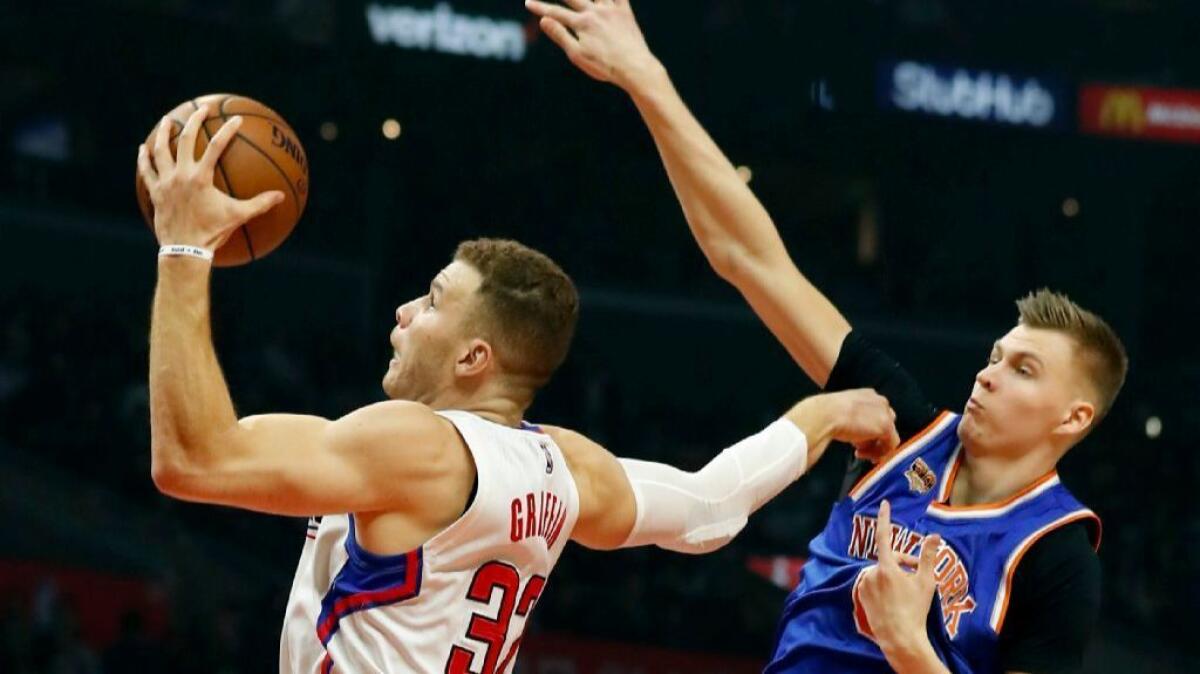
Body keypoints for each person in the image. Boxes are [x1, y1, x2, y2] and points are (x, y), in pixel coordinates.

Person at [136, 104, 903, 673]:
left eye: (433, 300)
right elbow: (709, 508)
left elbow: (194, 460)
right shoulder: (564, 468)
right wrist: (824, 412)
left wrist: (183, 247)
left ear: (475, 358)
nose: (404, 312)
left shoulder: (415, 445)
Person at [526, 1, 1127, 672]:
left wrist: (909, 648)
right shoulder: (895, 423)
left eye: (1023, 370)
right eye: (995, 357)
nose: (986, 375)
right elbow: (750, 260)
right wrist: (647, 78)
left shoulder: (1059, 555)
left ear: (1074, 415)